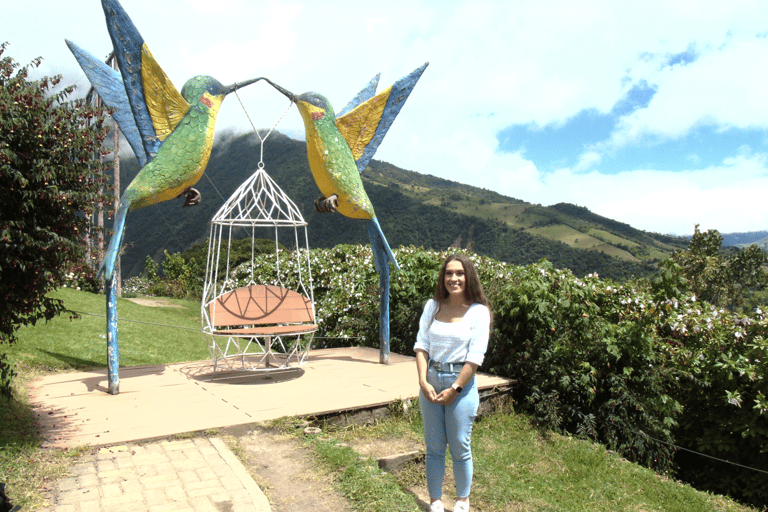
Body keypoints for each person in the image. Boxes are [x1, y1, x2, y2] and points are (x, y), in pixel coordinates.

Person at [414, 254, 492, 512]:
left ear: (468, 276)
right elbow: (422, 345)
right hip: (432, 380)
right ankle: (435, 500)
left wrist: (456, 388)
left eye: (459, 273)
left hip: (462, 384)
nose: (454, 278)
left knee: (459, 444)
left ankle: (462, 500)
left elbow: (476, 356)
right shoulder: (432, 306)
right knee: (434, 445)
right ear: (443, 277)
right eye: (449, 273)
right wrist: (423, 381)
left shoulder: (478, 312)